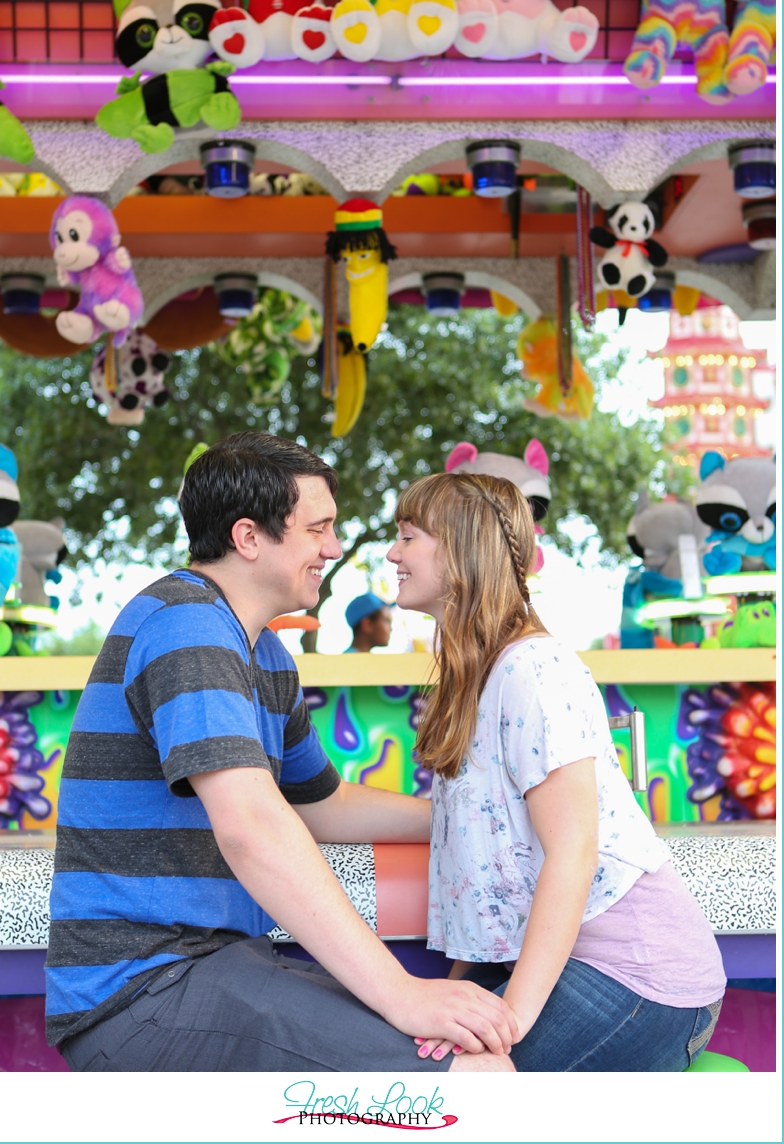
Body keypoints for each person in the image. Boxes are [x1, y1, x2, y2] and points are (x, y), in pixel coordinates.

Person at [45, 433, 516, 1073]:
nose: (335, 547)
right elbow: (254, 828)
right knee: (476, 1078)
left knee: (475, 1054)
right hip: (142, 993)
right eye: (317, 528)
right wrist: (403, 993)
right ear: (248, 537)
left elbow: (321, 805)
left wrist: (461, 814)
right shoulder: (185, 624)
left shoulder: (263, 652)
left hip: (213, 967)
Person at [386, 471, 727, 1073]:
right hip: (566, 965)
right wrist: (460, 996)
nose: (393, 552)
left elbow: (575, 854)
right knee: (416, 1065)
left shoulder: (532, 671)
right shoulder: (479, 678)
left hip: (642, 981)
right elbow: (479, 850)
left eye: (408, 535)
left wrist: (506, 1024)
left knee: (459, 1082)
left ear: (462, 550)